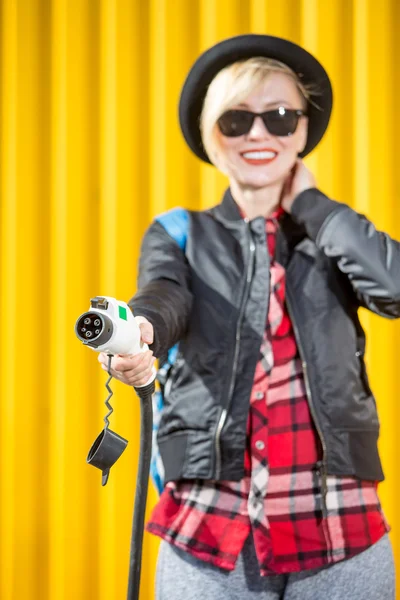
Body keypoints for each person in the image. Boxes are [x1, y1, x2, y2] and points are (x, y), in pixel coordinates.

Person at [99, 34, 397, 599]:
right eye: (236, 121)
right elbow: (164, 296)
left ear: (304, 130)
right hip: (209, 524)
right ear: (212, 136)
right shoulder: (180, 231)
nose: (258, 134)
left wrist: (314, 208)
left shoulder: (334, 233)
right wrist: (141, 332)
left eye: (281, 117)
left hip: (338, 522)